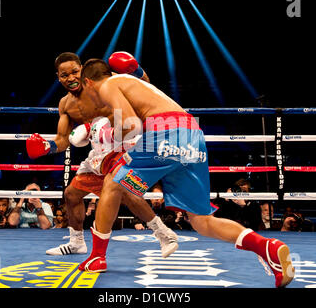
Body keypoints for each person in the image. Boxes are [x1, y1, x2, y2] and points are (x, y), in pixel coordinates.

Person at [76, 58, 295, 288]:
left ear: (88, 82)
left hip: (166, 131)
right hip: (192, 132)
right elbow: (144, 99)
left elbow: (131, 125)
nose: (89, 97)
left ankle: (97, 257)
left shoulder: (108, 84)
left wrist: (108, 140)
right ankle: (266, 247)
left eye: (85, 89)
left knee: (112, 182)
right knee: (202, 221)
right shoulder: (132, 82)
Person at [26, 52, 178, 257]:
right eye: (64, 75)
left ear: (82, 70)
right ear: (58, 77)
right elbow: (63, 139)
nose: (71, 78)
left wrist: (136, 70)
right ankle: (76, 243)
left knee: (126, 192)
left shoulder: (102, 82)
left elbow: (145, 84)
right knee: (72, 194)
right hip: (99, 150)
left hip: (124, 142)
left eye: (74, 72)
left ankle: (164, 234)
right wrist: (48, 147)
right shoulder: (66, 105)